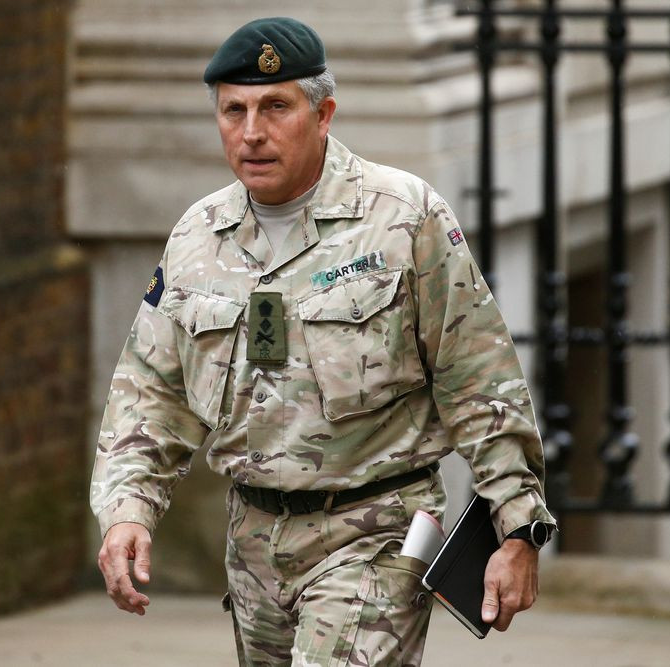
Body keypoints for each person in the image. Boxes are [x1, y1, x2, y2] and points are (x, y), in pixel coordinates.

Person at [90, 16, 556, 666]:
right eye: (234, 110)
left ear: (324, 113)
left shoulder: (403, 218)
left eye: (275, 107)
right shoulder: (197, 238)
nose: (251, 131)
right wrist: (127, 511)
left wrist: (518, 526)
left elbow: (478, 376)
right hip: (251, 544)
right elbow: (150, 391)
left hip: (373, 532)